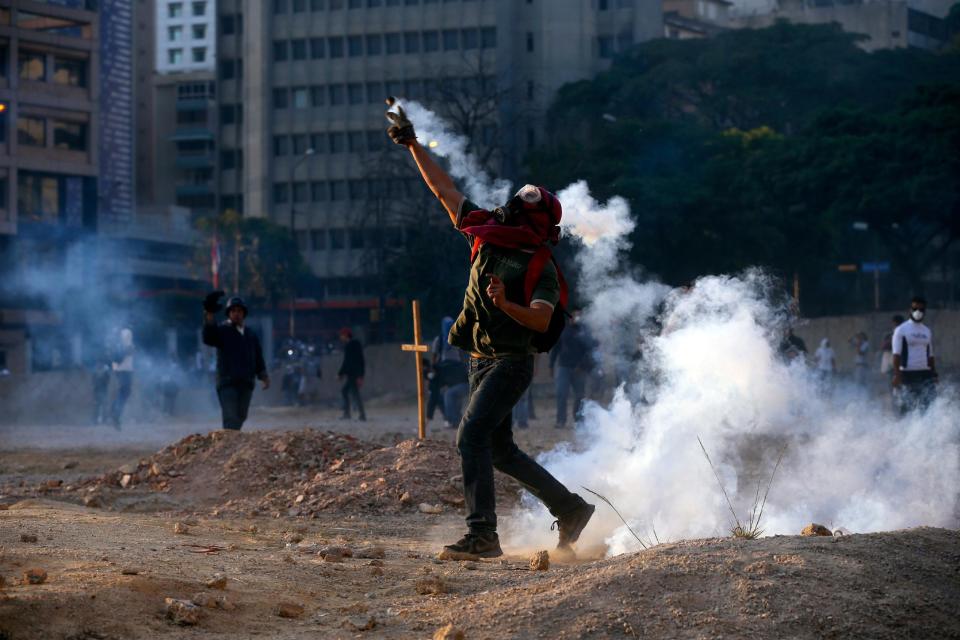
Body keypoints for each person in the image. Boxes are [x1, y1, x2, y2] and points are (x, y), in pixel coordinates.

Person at [388, 99, 594, 558]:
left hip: (511, 361)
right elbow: (444, 191)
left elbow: (542, 317)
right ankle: (571, 508)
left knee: (471, 436)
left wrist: (506, 303)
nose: (513, 204)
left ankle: (483, 534)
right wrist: (412, 144)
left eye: (524, 203)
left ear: (535, 220)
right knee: (498, 450)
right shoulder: (485, 231)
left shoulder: (538, 263)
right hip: (479, 360)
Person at [202, 292, 270, 431]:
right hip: (227, 382)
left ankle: (230, 442)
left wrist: (263, 375)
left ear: (244, 313)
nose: (236, 314)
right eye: (233, 311)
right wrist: (209, 314)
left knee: (241, 416)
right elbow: (208, 337)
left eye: (239, 311)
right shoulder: (222, 331)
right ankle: (228, 447)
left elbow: (257, 356)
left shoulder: (250, 334)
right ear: (228, 313)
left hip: (246, 382)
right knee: (230, 416)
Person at [892, 297, 937, 414]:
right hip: (907, 373)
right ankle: (904, 430)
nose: (918, 311)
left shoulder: (927, 331)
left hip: (925, 373)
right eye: (915, 308)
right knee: (907, 407)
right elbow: (896, 355)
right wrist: (897, 375)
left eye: (921, 309)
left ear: (925, 311)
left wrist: (934, 373)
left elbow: (930, 355)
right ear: (910, 310)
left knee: (929, 406)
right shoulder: (901, 329)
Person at [550, 311, 592, 429]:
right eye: (574, 315)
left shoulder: (584, 331)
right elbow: (556, 349)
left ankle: (578, 419)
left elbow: (589, 350)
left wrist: (582, 365)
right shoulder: (563, 330)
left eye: (579, 315)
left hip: (579, 368)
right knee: (561, 394)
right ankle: (561, 420)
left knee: (579, 395)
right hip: (563, 367)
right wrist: (551, 365)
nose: (576, 318)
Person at [338, 327, 366, 421]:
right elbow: (360, 361)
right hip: (354, 374)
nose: (341, 338)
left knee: (350, 392)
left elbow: (348, 362)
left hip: (353, 374)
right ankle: (357, 414)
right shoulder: (354, 345)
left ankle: (356, 414)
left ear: (346, 335)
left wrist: (341, 373)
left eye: (342, 335)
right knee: (350, 392)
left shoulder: (350, 346)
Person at [110, 327, 135, 429]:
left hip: (122, 370)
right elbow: (118, 358)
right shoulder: (126, 345)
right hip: (124, 370)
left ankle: (115, 411)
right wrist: (127, 351)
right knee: (124, 392)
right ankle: (115, 411)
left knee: (125, 392)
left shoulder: (120, 344)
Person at [90, 352, 111, 425]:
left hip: (103, 389)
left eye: (100, 361)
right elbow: (93, 379)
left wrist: (102, 380)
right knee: (96, 405)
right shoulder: (95, 369)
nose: (99, 363)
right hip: (97, 389)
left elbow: (107, 379)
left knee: (104, 404)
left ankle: (104, 420)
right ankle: (95, 420)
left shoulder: (106, 369)